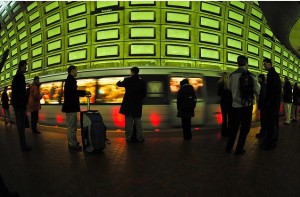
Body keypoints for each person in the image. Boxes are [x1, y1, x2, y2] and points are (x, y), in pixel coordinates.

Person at [225, 55, 259, 155]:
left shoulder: (231, 76)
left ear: (237, 63)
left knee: (234, 128)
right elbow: (257, 90)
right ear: (246, 63)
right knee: (245, 129)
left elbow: (229, 89)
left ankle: (229, 148)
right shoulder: (252, 76)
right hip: (247, 106)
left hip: (235, 107)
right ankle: (239, 149)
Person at [62, 65, 90, 151]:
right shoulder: (71, 80)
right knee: (72, 127)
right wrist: (84, 92)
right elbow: (73, 92)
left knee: (72, 126)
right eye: (76, 70)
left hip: (70, 107)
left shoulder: (69, 80)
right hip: (71, 107)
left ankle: (72, 142)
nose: (77, 72)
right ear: (72, 70)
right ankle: (72, 144)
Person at [116, 67, 146, 143]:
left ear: (132, 72)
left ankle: (128, 138)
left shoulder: (127, 80)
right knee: (138, 122)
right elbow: (144, 94)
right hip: (137, 105)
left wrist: (119, 81)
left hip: (128, 105)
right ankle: (140, 137)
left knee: (128, 123)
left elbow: (119, 84)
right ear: (138, 72)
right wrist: (138, 99)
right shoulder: (142, 81)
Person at [261, 58, 282, 150]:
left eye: (265, 64)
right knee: (274, 122)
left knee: (270, 123)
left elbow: (271, 91)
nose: (264, 66)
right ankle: (273, 140)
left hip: (272, 104)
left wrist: (268, 102)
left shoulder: (271, 74)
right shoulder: (275, 74)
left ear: (270, 64)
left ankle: (270, 143)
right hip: (275, 103)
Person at [11, 60, 31, 151]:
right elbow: (21, 93)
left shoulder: (16, 77)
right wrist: (24, 106)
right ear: (22, 66)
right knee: (21, 125)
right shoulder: (20, 77)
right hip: (19, 105)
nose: (26, 68)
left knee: (21, 125)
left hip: (17, 104)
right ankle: (23, 146)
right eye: (25, 66)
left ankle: (23, 145)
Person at [217, 72, 232, 137]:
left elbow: (218, 94)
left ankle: (223, 133)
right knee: (230, 118)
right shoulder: (229, 84)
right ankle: (229, 132)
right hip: (229, 102)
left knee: (224, 118)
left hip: (223, 102)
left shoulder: (219, 83)